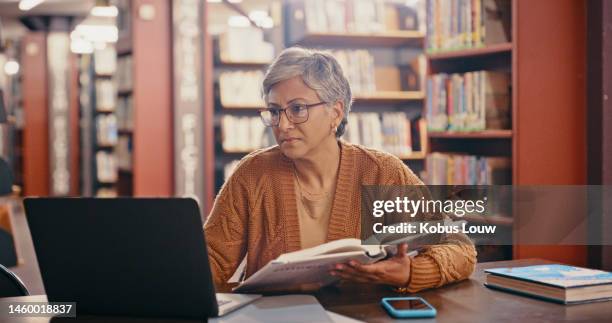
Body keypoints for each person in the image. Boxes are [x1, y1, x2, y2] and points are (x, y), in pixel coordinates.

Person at [204, 47, 476, 292]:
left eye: (297, 109)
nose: (282, 124)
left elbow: (460, 248)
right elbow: (212, 260)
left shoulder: (381, 172)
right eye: (274, 112)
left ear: (336, 112)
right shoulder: (253, 174)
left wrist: (411, 272)